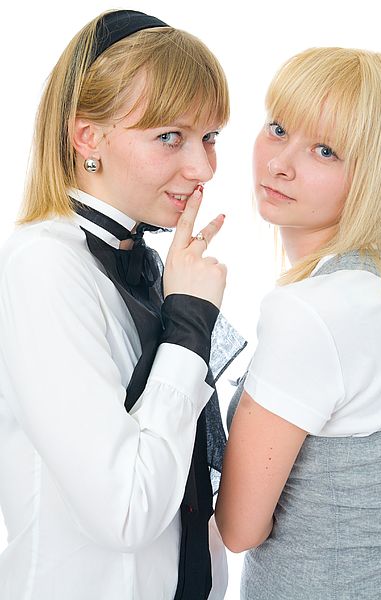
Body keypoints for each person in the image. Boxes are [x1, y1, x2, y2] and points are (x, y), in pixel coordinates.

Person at [0, 9, 245, 600]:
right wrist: (187, 325)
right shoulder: (44, 267)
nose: (203, 168)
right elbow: (127, 512)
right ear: (89, 136)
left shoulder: (147, 262)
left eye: (209, 137)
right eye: (170, 137)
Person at [215, 47, 381, 599]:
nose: (280, 163)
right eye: (278, 128)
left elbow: (239, 528)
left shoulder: (313, 312)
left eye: (325, 150)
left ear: (378, 173)